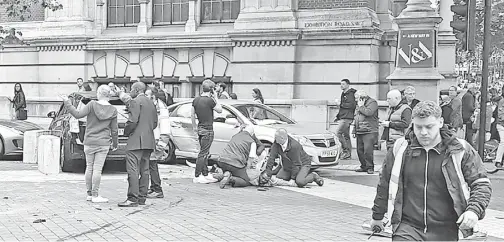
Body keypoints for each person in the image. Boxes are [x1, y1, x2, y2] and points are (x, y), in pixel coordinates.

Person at [370, 101, 491, 241]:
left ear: (440, 122)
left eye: (429, 127)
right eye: (418, 127)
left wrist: (473, 210)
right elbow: (384, 184)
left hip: (446, 229)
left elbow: (481, 183)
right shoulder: (400, 148)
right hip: (407, 227)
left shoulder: (460, 150)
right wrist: (377, 216)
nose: (423, 132)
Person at [59, 85, 119, 203]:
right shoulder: (113, 110)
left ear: (99, 93)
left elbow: (77, 114)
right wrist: (115, 143)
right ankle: (96, 195)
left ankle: (89, 194)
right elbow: (114, 130)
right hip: (103, 142)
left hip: (90, 141)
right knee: (97, 169)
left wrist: (67, 101)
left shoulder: (91, 105)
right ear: (108, 95)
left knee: (89, 167)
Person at [118, 82, 158, 207]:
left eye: (131, 90)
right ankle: (142, 197)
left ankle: (132, 198)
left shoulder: (135, 101)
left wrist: (126, 131)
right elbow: (155, 122)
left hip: (135, 140)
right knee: (145, 170)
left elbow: (133, 120)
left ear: (136, 90)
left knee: (133, 170)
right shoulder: (151, 102)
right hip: (149, 140)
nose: (130, 92)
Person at [191, 79, 222, 184]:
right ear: (212, 89)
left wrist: (194, 127)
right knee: (203, 153)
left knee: (204, 152)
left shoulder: (196, 100)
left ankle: (205, 173)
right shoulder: (210, 101)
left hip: (200, 128)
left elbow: (192, 114)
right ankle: (197, 175)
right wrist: (216, 97)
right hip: (208, 129)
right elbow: (220, 109)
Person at [353, 90, 379, 174]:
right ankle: (363, 166)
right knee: (359, 150)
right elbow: (356, 117)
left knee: (368, 150)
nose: (356, 100)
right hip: (360, 130)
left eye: (357, 98)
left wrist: (361, 107)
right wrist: (354, 129)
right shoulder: (359, 104)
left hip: (369, 130)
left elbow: (369, 112)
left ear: (362, 98)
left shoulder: (372, 102)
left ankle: (370, 167)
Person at [334, 79, 356, 160]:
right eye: (341, 84)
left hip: (347, 117)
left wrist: (340, 104)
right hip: (344, 116)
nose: (341, 85)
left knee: (338, 133)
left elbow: (351, 105)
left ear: (348, 85)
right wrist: (338, 116)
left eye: (343, 84)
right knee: (346, 136)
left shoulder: (350, 94)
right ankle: (347, 154)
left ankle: (346, 151)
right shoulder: (344, 94)